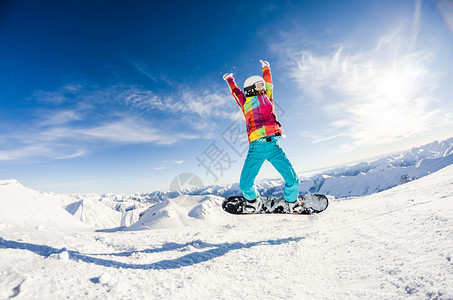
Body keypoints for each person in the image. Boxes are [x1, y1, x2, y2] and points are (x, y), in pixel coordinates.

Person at [223, 60, 302, 213]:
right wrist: (230, 80)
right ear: (251, 88)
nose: (263, 88)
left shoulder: (268, 97)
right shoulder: (244, 102)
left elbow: (269, 83)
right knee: (245, 185)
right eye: (259, 85)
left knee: (293, 180)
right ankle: (254, 201)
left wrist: (266, 69)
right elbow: (236, 93)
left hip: (273, 146)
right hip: (256, 149)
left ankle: (291, 202)